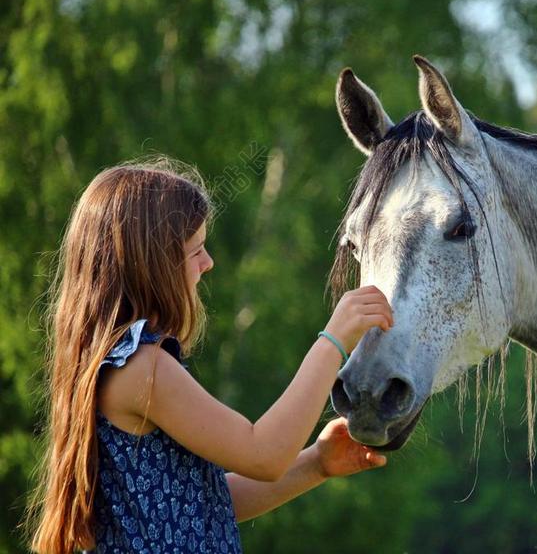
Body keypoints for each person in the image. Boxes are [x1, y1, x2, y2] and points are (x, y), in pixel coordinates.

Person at [26, 159, 392, 553]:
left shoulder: (124, 363)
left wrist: (316, 463)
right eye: (195, 250)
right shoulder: (142, 368)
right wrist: (333, 341)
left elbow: (206, 506)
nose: (208, 263)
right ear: (154, 265)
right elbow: (263, 453)